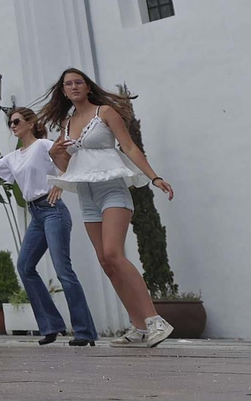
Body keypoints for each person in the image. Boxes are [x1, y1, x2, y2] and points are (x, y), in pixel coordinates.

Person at [40, 68, 175, 348]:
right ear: (64, 91)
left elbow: (129, 147)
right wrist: (56, 156)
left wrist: (154, 177)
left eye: (79, 82)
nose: (74, 86)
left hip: (112, 190)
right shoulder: (66, 124)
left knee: (114, 253)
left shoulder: (105, 112)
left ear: (88, 87)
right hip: (87, 196)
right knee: (105, 261)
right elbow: (71, 169)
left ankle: (154, 320)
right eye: (69, 84)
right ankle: (137, 327)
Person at [0, 106, 97, 346]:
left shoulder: (42, 146)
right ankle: (51, 326)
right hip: (36, 215)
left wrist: (60, 183)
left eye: (17, 121)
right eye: (10, 122)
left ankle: (85, 332)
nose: (13, 125)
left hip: (53, 211)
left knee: (63, 270)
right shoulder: (13, 157)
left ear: (31, 123)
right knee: (25, 267)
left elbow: (68, 160)